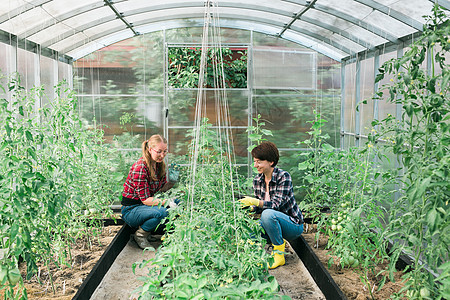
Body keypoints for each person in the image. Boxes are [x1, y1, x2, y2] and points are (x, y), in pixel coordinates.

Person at [239, 141, 304, 269]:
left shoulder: (283, 177)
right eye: (255, 161)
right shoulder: (257, 181)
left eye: (259, 162)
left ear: (271, 162)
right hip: (272, 224)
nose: (255, 165)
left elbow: (275, 205)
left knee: (268, 214)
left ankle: (279, 255)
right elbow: (260, 206)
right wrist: (250, 208)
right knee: (250, 229)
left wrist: (255, 201)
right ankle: (255, 257)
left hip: (292, 225)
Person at [121, 134, 176, 249]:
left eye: (165, 151)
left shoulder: (158, 165)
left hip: (143, 206)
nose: (162, 155)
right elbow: (146, 200)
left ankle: (150, 231)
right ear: (150, 149)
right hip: (132, 210)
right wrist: (166, 202)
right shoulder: (140, 168)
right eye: (159, 151)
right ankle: (140, 235)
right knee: (162, 212)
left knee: (179, 202)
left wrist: (171, 182)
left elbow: (159, 191)